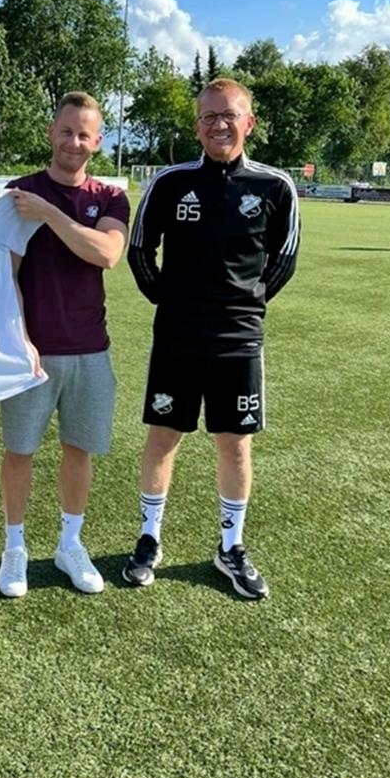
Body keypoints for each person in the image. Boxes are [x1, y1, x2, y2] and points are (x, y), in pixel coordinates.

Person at [124, 77, 300, 598]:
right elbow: (139, 251)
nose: (219, 125)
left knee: (235, 445)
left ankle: (231, 547)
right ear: (196, 125)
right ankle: (149, 538)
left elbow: (284, 259)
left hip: (239, 342)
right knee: (163, 437)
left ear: (249, 123)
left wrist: (247, 304)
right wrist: (170, 303)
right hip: (177, 338)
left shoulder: (275, 187)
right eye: (209, 117)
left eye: (230, 116)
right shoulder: (170, 182)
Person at [0, 92, 130, 598]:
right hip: (31, 353)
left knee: (80, 451)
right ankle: (15, 549)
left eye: (84, 134)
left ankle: (70, 545)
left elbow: (107, 254)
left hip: (91, 350)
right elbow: (4, 278)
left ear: (97, 141)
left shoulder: (110, 197)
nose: (74, 141)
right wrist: (19, 339)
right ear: (52, 133)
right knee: (19, 452)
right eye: (66, 130)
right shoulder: (18, 192)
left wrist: (50, 213)